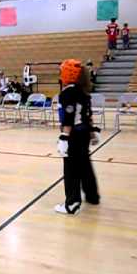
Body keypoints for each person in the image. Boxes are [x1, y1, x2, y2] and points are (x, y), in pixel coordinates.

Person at [55, 59, 100, 215]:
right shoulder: (83, 91)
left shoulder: (68, 92)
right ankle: (92, 196)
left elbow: (69, 115)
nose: (60, 74)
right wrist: (92, 133)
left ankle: (72, 203)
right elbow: (88, 115)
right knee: (85, 166)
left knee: (71, 169)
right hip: (84, 134)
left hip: (74, 135)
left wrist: (64, 138)